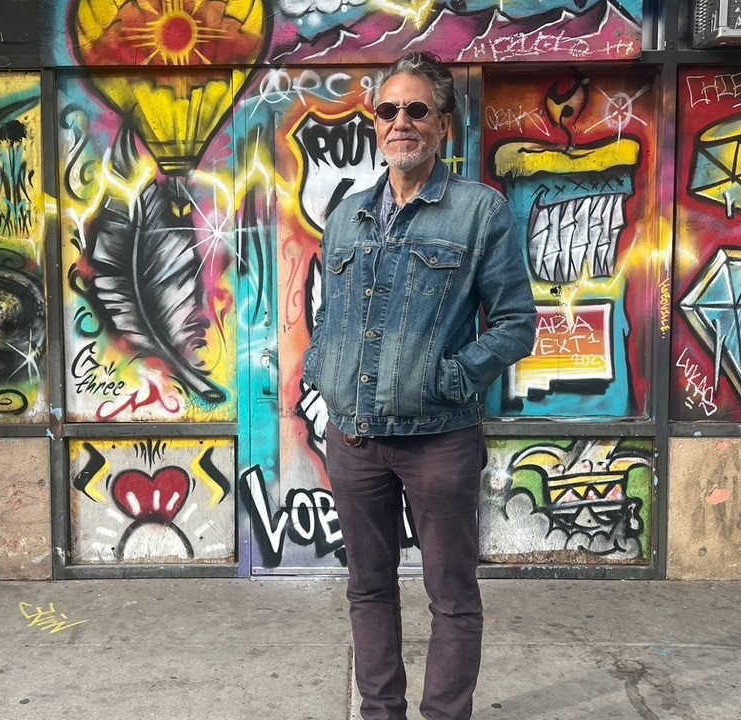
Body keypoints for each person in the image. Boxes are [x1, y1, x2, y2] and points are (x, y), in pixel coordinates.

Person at [302, 52, 537, 720]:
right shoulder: (346, 216)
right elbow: (329, 315)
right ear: (375, 124)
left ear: (441, 125)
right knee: (367, 590)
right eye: (387, 110)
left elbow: (516, 324)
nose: (400, 122)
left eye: (416, 110)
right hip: (355, 440)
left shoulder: (478, 211)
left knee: (453, 598)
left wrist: (446, 380)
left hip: (439, 446)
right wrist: (325, 372)